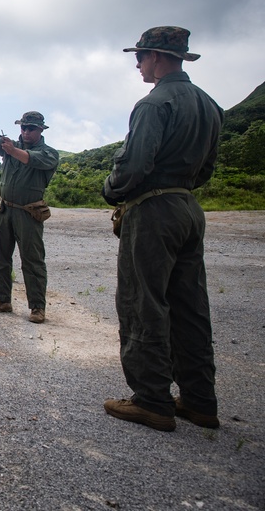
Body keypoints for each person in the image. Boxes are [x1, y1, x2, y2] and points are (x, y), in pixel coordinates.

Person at [101, 26, 223, 432]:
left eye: (140, 57)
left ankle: (152, 400)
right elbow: (206, 168)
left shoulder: (154, 104)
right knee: (190, 305)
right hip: (188, 205)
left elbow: (134, 166)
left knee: (143, 302)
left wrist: (111, 190)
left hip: (153, 211)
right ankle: (200, 401)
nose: (137, 64)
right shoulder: (210, 106)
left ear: (155, 56)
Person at [0, 112, 60, 323]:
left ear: (41, 130)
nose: (26, 132)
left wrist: (11, 149)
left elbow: (28, 158)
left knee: (32, 260)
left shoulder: (49, 153)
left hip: (28, 212)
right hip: (3, 209)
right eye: (23, 128)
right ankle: (2, 300)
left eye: (31, 129)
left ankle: (37, 307)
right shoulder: (12, 146)